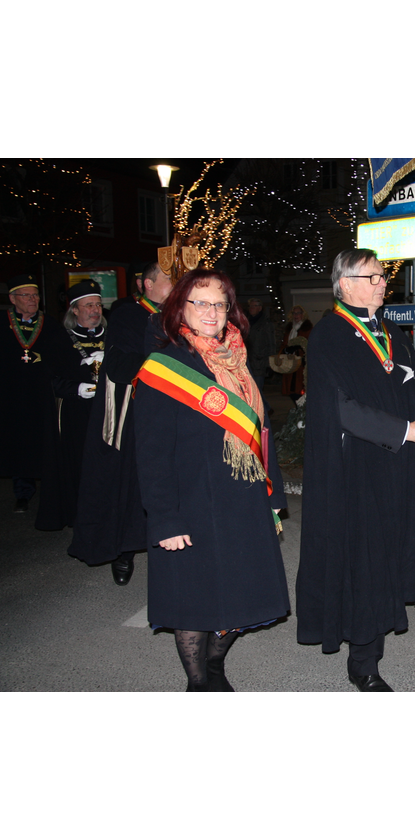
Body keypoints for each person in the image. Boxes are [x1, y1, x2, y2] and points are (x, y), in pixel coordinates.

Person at [134, 267, 290, 692]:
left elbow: (261, 430)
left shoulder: (236, 361)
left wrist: (271, 489)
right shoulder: (165, 365)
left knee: (244, 590)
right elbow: (151, 453)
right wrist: (164, 517)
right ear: (180, 308)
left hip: (242, 497)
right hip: (192, 502)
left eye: (219, 303)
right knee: (196, 599)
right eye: (200, 302)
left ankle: (216, 665)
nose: (211, 311)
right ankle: (199, 680)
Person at [296, 248, 415, 691]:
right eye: (374, 276)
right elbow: (340, 407)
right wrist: (405, 431)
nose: (383, 283)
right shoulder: (329, 336)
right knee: (365, 560)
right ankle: (364, 661)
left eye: (383, 276)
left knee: (391, 554)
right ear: (345, 284)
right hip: (358, 469)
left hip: (398, 467)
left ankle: (382, 623)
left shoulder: (392, 330)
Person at [68, 261, 172, 584]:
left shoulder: (182, 315)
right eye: (168, 279)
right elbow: (119, 364)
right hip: (135, 411)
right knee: (130, 483)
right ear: (146, 285)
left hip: (173, 411)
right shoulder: (129, 314)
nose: (174, 285)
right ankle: (124, 550)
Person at [35, 279, 107, 530]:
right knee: (79, 465)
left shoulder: (114, 336)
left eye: (98, 304)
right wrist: (74, 389)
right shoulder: (59, 340)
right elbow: (48, 379)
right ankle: (81, 515)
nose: (95, 310)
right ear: (75, 310)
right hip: (76, 414)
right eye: (89, 305)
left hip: (110, 411)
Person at [0, 273, 71, 512]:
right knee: (17, 442)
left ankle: (50, 491)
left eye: (35, 295)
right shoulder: (0, 322)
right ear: (12, 298)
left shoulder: (49, 324)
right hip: (10, 394)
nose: (33, 299)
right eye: (26, 295)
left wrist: (46, 360)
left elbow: (63, 355)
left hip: (41, 394)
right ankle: (23, 492)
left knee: (44, 440)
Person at [278, 304, 312, 401]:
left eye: (298, 313)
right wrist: (284, 350)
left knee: (300, 388)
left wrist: (298, 349)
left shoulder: (307, 328)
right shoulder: (290, 329)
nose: (296, 315)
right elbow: (285, 343)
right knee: (290, 389)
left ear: (303, 314)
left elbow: (308, 344)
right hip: (289, 362)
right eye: (294, 313)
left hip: (301, 363)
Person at [244, 297, 276, 384]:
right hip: (247, 360)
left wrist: (270, 363)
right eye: (250, 306)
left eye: (254, 306)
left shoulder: (266, 323)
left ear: (260, 308)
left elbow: (271, 343)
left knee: (258, 388)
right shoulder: (246, 322)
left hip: (260, 361)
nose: (251, 308)